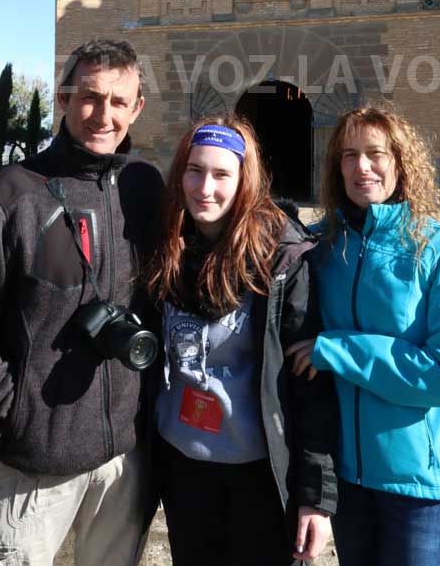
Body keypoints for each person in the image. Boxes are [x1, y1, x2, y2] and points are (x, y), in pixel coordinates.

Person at [0, 39, 163, 566]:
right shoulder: (8, 197)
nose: (103, 115)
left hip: (124, 459)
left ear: (137, 108)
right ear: (63, 97)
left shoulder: (145, 188)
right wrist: (12, 412)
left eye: (119, 102)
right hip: (29, 463)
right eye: (89, 97)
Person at [287, 107, 440, 566]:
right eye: (348, 155)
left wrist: (339, 350)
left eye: (376, 153)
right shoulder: (320, 247)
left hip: (420, 483)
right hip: (349, 479)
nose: (362, 167)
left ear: (400, 160)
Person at [144, 115, 338, 566]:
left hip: (261, 473)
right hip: (183, 466)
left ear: (244, 181)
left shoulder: (282, 258)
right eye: (195, 171)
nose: (205, 188)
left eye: (221, 174)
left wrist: (316, 496)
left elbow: (311, 386)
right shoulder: (166, 245)